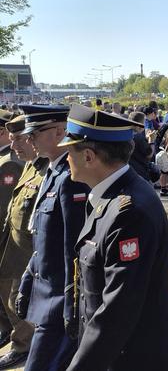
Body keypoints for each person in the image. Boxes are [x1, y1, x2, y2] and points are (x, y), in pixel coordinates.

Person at [60, 104, 168, 370]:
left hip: (135, 356)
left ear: (88, 156)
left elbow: (118, 308)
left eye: (69, 152)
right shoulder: (108, 195)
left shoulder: (128, 211)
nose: (66, 160)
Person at [15, 105, 90, 371]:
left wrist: (72, 304)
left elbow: (75, 249)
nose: (29, 140)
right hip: (46, 295)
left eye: (35, 134)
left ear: (60, 131)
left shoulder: (71, 177)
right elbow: (41, 239)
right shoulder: (52, 171)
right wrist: (27, 282)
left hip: (61, 301)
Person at [0, 116, 47, 370]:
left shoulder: (46, 169)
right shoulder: (30, 165)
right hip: (15, 246)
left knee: (18, 300)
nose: (13, 143)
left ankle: (23, 345)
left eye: (19, 138)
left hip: (29, 252)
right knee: (10, 299)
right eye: (12, 138)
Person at [0, 110, 24, 352]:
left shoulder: (11, 162)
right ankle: (7, 329)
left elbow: (5, 207)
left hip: (9, 241)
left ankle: (19, 339)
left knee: (9, 293)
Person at [127, 111, 153, 182]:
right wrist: (151, 141)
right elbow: (149, 155)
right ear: (139, 124)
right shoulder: (139, 137)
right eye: (144, 122)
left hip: (127, 172)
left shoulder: (125, 135)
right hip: (140, 173)